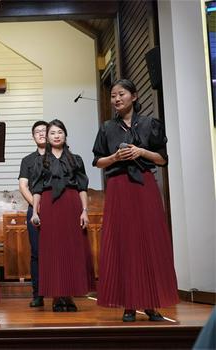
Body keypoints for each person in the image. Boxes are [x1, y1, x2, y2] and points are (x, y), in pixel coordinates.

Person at [92, 78, 179, 322]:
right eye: (113, 96)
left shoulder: (151, 123)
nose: (116, 99)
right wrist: (116, 157)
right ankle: (129, 304)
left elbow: (162, 159)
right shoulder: (107, 127)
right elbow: (98, 160)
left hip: (144, 185)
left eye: (121, 94)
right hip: (119, 187)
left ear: (135, 96)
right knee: (123, 243)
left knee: (150, 242)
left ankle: (151, 304)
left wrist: (141, 152)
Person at [30, 119, 94, 312]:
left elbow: (82, 187)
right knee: (53, 250)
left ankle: (69, 295)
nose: (56, 135)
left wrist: (84, 211)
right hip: (50, 205)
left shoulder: (76, 159)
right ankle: (57, 296)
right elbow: (37, 189)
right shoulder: (40, 161)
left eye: (60, 132)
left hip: (72, 203)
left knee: (72, 250)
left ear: (65, 135)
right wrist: (35, 211)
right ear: (47, 138)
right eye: (52, 133)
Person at [18, 120, 48, 308]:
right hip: (35, 210)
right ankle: (38, 294)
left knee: (57, 252)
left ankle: (61, 294)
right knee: (37, 253)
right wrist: (37, 207)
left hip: (57, 209)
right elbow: (23, 186)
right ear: (33, 137)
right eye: (37, 132)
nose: (41, 134)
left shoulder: (59, 156)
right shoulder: (28, 160)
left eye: (44, 130)